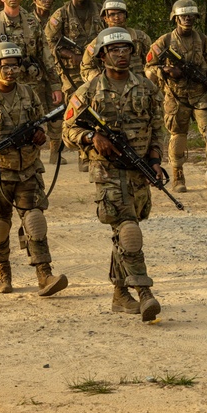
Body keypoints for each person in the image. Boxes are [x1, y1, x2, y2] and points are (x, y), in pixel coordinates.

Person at [62, 27, 165, 321]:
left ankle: (120, 295)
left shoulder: (146, 88)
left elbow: (157, 127)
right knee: (129, 229)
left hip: (139, 169)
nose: (121, 54)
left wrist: (156, 160)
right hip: (106, 170)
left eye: (126, 49)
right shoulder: (88, 91)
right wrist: (91, 138)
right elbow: (68, 131)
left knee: (124, 230)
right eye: (115, 50)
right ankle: (144, 292)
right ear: (102, 55)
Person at [0, 41, 68, 296]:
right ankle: (3, 271)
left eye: (15, 65)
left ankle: (44, 273)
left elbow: (38, 122)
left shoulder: (29, 94)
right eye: (5, 66)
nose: (11, 70)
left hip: (27, 169)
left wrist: (40, 135)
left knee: (35, 220)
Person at [0, 0, 64, 164]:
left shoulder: (32, 24)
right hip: (1, 89)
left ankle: (31, 173)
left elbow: (45, 56)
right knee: (1, 133)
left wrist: (56, 85)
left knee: (32, 131)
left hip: (30, 87)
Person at [144, 0, 207, 192]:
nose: (187, 19)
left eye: (190, 16)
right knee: (178, 135)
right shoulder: (164, 42)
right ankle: (177, 174)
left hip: (201, 94)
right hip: (175, 96)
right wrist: (166, 70)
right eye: (183, 16)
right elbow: (148, 68)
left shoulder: (203, 40)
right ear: (175, 18)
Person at [45, 0, 104, 103]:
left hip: (97, 66)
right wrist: (71, 55)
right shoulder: (61, 14)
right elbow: (48, 42)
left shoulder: (100, 11)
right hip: (71, 71)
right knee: (75, 103)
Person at [79, 0, 152, 81]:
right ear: (105, 18)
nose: (117, 17)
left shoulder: (140, 37)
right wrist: (101, 80)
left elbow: (151, 63)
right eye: (112, 14)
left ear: (125, 16)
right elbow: (86, 68)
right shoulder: (98, 42)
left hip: (139, 86)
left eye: (120, 13)